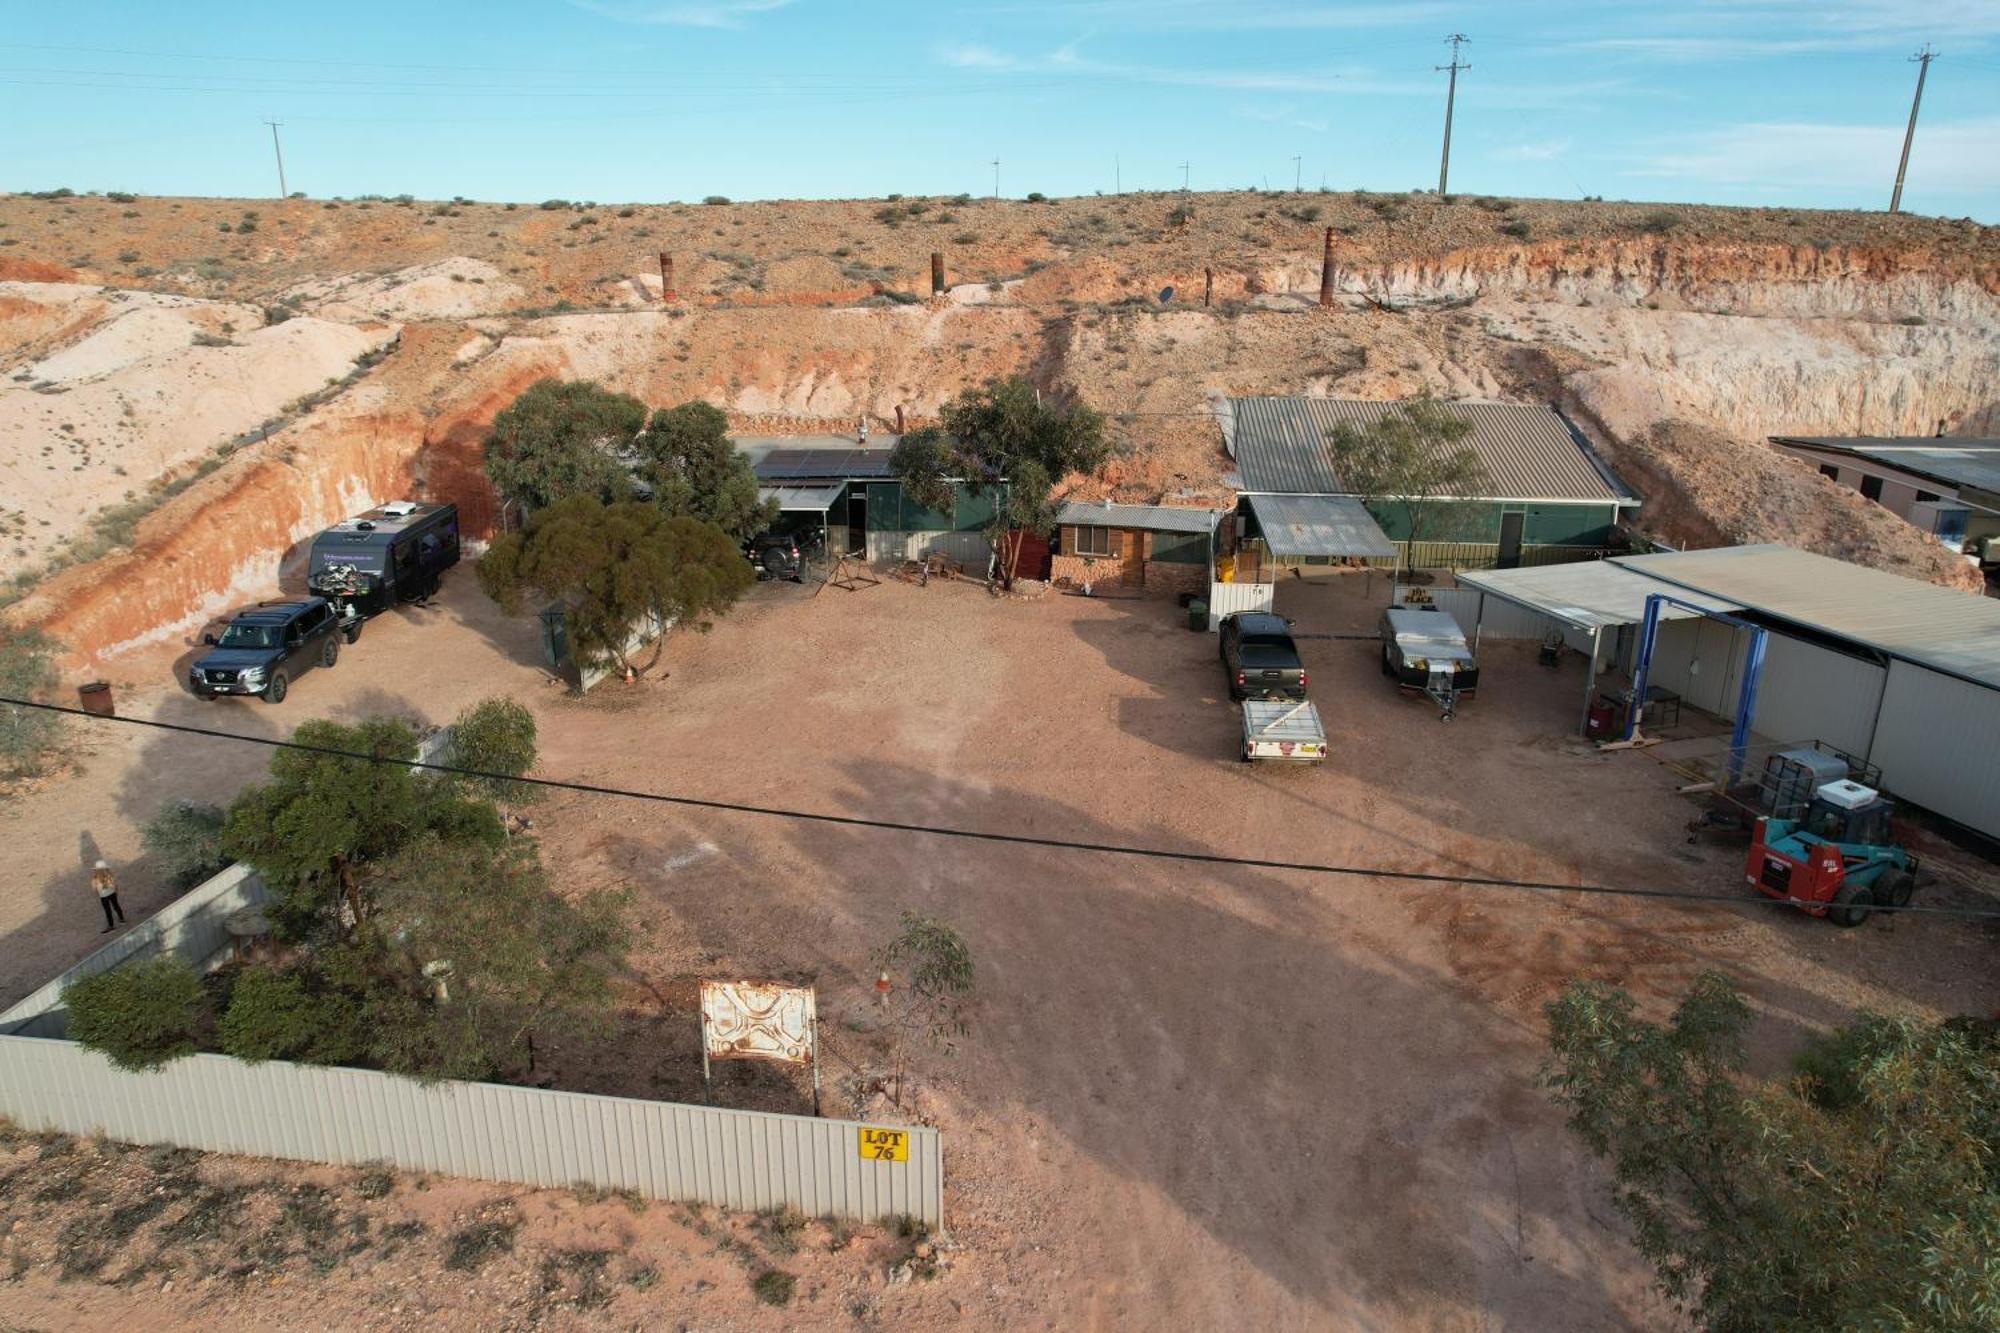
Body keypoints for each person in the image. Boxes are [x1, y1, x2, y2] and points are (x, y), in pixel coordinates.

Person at [91, 859, 125, 933]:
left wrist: (97, 893)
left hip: (103, 896)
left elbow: (94, 889)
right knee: (116, 906)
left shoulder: (95, 879)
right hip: (112, 893)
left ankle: (111, 926)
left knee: (108, 910)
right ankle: (122, 919)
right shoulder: (109, 875)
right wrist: (116, 892)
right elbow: (115, 885)